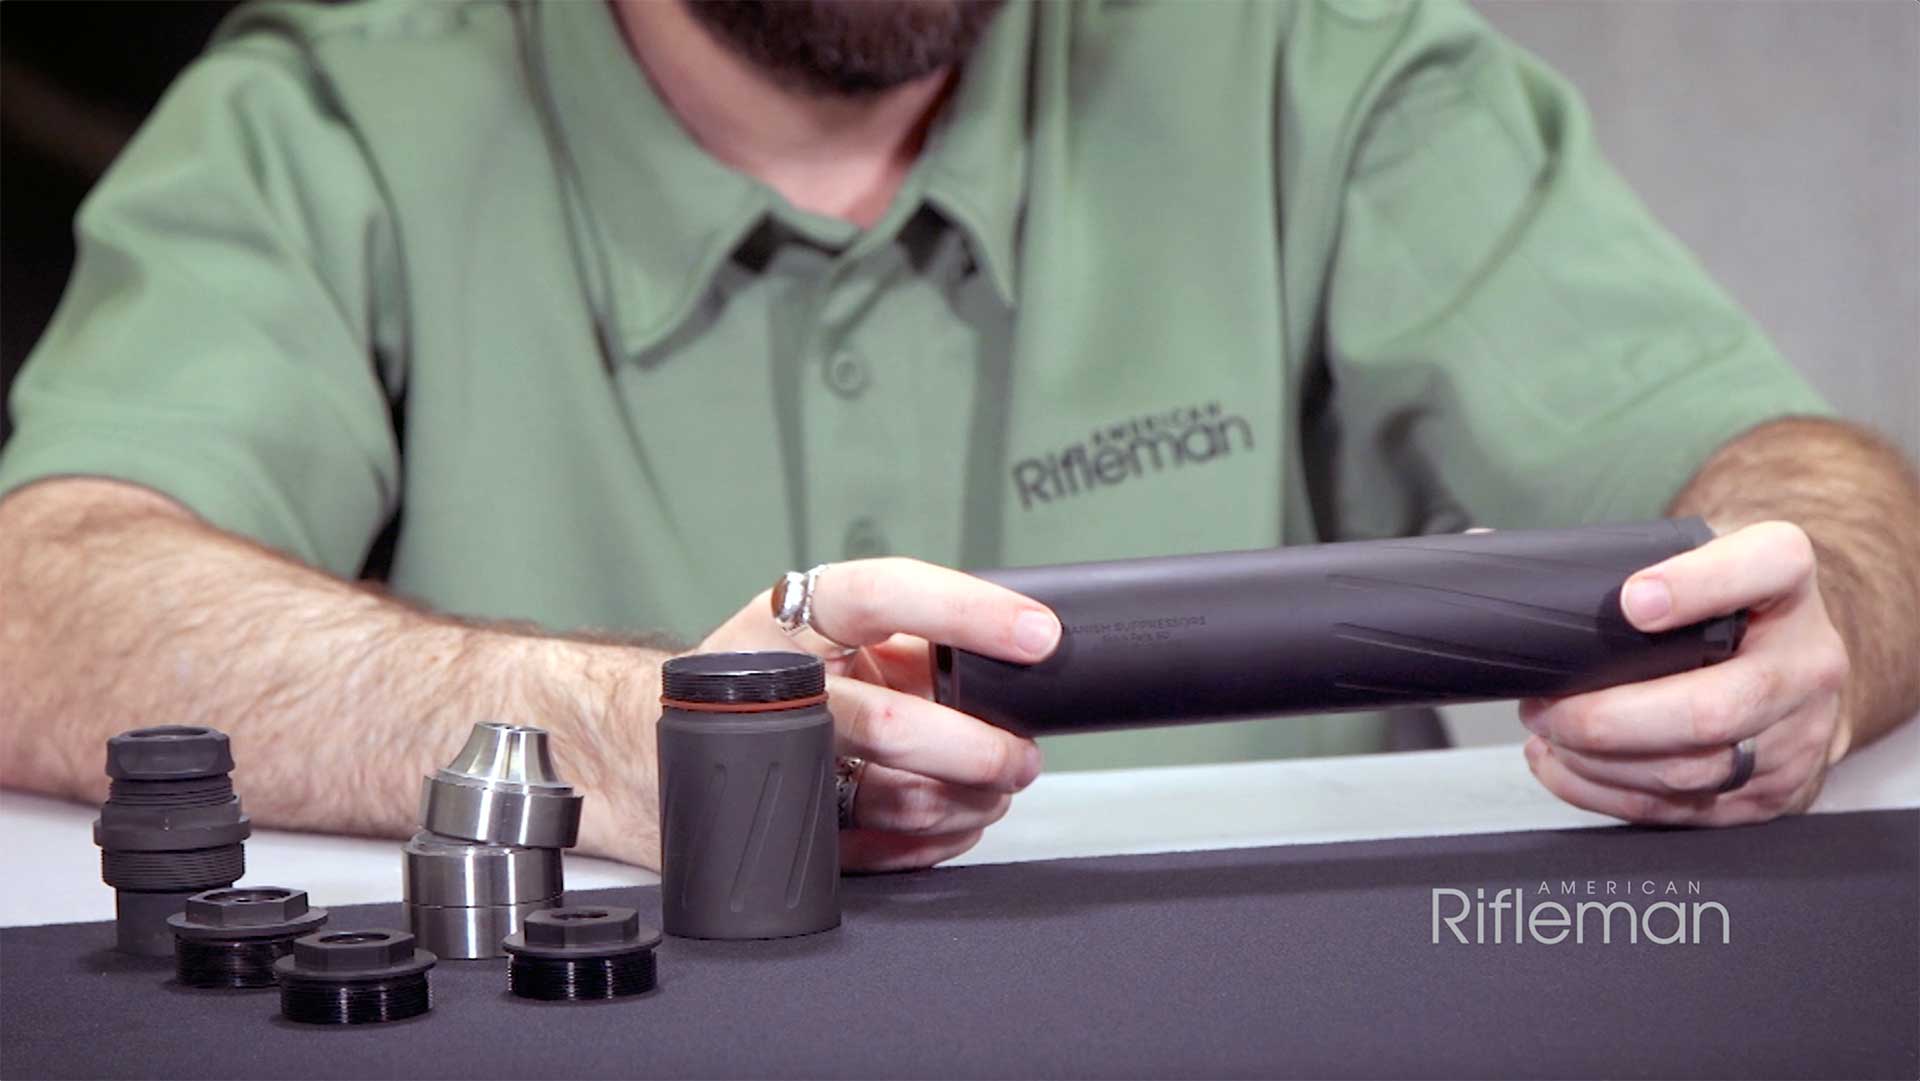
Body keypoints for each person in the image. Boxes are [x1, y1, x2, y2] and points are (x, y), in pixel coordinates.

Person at [0, 0, 1915, 872]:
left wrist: (1821, 614)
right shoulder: (320, 124)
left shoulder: (1324, 68)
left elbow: (1821, 498)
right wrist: (614, 733)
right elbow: (43, 599)